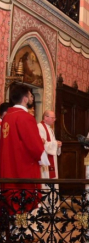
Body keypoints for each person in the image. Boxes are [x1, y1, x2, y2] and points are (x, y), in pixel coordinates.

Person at [0, 84, 47, 215]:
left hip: (9, 165)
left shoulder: (7, 117)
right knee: (24, 200)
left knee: (10, 198)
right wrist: (42, 157)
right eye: (31, 96)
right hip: (23, 167)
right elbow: (34, 145)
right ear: (25, 98)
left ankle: (11, 230)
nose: (32, 98)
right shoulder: (25, 117)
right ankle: (23, 229)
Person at [38, 110, 62, 184]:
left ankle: (52, 195)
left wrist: (57, 144)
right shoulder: (39, 127)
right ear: (45, 117)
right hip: (44, 158)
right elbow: (41, 143)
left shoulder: (50, 129)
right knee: (45, 176)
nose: (54, 120)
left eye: (54, 118)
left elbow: (48, 142)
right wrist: (55, 144)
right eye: (52, 118)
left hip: (51, 157)